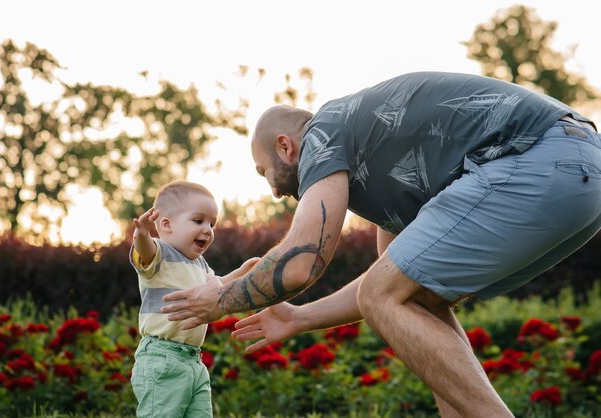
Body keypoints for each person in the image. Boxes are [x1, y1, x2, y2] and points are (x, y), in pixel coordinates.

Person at [160, 71, 601, 417]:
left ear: (285, 146)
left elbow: (301, 263)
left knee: (391, 294)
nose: (274, 191)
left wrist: (220, 299)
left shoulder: (324, 133)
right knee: (417, 298)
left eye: (264, 172)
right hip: (580, 174)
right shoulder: (385, 178)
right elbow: (387, 289)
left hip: (536, 156)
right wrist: (298, 318)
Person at [129, 180, 258, 418]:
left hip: (193, 362)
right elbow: (145, 252)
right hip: (162, 358)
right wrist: (142, 236)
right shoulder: (160, 253)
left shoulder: (200, 264)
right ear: (166, 224)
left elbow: (217, 288)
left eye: (212, 223)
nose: (208, 229)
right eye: (198, 221)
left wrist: (244, 272)